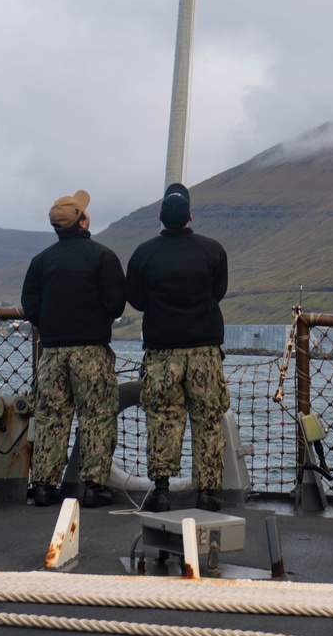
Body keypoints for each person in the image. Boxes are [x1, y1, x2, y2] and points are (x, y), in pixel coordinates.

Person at [125, 182, 230, 512]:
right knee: (208, 419)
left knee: (162, 420)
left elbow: (137, 300)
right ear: (190, 216)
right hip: (204, 352)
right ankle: (208, 492)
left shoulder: (144, 254)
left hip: (161, 352)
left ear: (160, 218)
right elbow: (219, 292)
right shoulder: (212, 251)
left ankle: (161, 491)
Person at [21, 188, 126, 508]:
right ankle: (94, 486)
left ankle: (43, 486)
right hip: (92, 352)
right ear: (82, 222)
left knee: (52, 418)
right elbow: (116, 305)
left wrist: (52, 328)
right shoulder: (103, 256)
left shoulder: (41, 261)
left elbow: (30, 307)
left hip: (52, 353)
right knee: (97, 417)